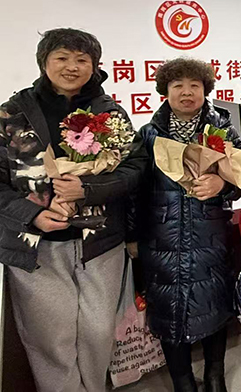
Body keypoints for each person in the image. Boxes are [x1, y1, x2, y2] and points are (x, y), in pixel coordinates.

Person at [0, 28, 146, 392]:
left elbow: (135, 167)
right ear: (44, 62)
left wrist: (88, 189)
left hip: (100, 241)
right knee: (51, 338)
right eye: (62, 58)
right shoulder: (11, 114)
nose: (72, 67)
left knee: (98, 331)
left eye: (82, 59)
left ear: (94, 66)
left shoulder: (109, 112)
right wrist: (31, 214)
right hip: (36, 245)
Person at [132, 58, 241, 392]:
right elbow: (134, 191)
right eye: (177, 85)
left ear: (205, 90)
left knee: (215, 307)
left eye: (194, 85)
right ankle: (182, 380)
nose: (186, 92)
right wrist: (131, 236)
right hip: (161, 238)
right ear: (165, 90)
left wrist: (222, 185)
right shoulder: (149, 134)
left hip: (210, 236)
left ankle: (214, 376)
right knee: (168, 312)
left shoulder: (222, 130)